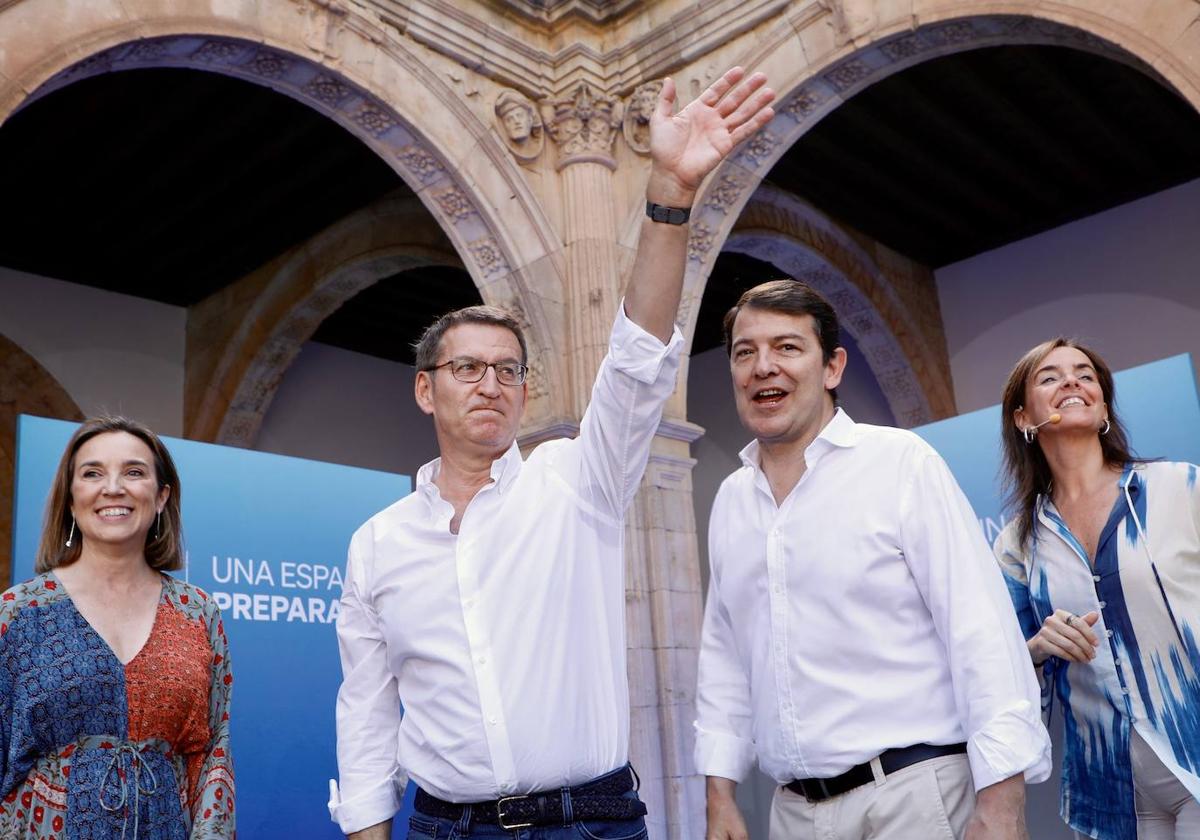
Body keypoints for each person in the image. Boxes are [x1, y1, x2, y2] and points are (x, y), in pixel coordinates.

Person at [328, 67, 776, 839]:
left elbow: (637, 363)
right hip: (446, 828)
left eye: (509, 370)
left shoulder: (577, 482)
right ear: (426, 391)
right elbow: (366, 715)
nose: (491, 384)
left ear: (525, 394)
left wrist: (669, 198)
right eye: (467, 368)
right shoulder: (378, 545)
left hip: (589, 823)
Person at [695, 280, 1051, 840]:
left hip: (913, 797)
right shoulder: (731, 503)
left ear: (832, 367)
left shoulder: (900, 464)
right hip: (792, 815)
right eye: (746, 352)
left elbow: (979, 631)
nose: (763, 367)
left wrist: (1003, 802)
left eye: (787, 347)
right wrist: (720, 795)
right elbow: (724, 661)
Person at [993, 338, 1200, 839]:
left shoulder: (1181, 487)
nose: (1071, 381)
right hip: (1108, 790)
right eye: (1050, 376)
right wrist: (1039, 649)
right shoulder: (1017, 543)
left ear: (1103, 404)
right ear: (1023, 418)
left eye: (1085, 374)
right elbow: (1005, 677)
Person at [0, 416, 235, 839]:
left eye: (134, 472)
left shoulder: (197, 612)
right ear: (71, 499)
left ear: (161, 496)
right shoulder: (18, 613)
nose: (113, 487)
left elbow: (212, 753)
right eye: (92, 473)